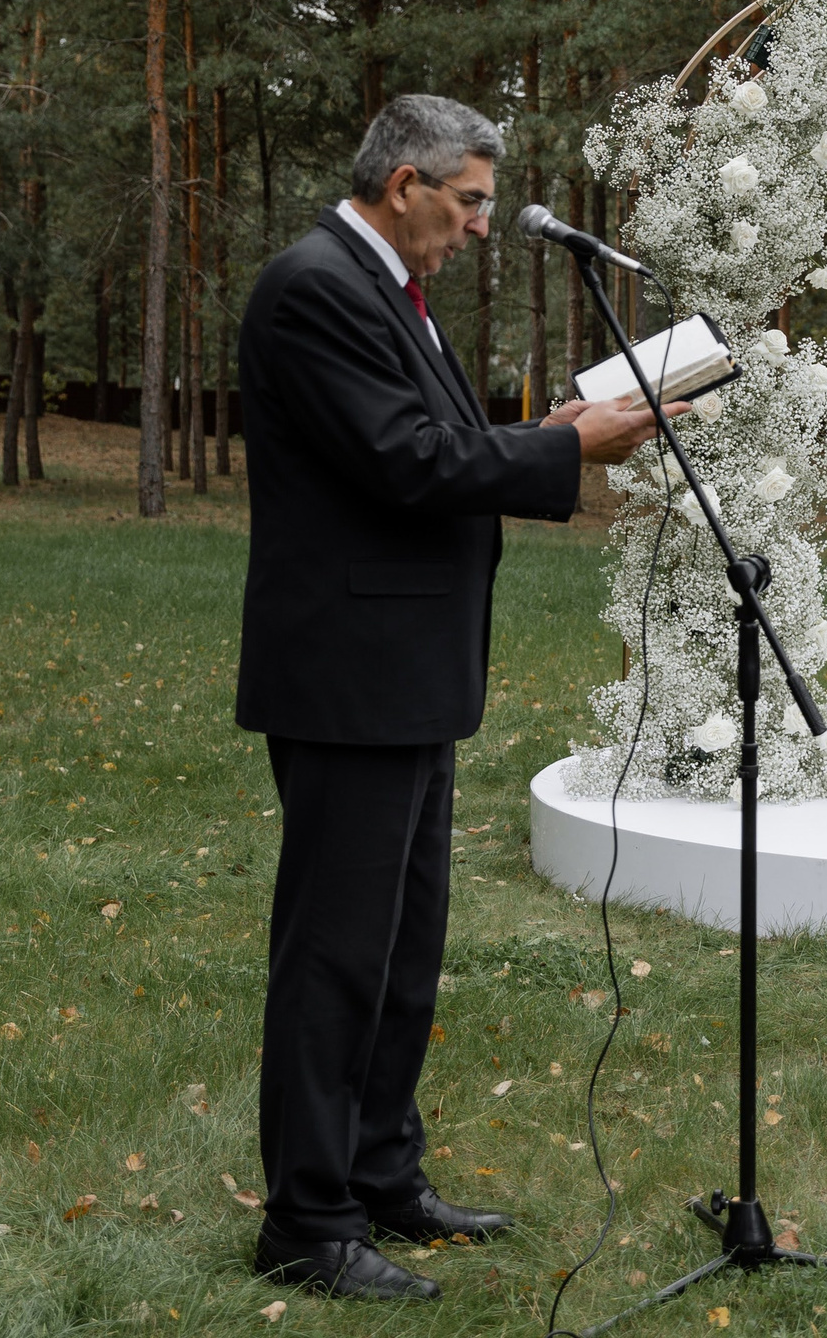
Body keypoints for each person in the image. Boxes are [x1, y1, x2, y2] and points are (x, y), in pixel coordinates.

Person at [235, 94, 677, 1301]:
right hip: (346, 680)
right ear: (405, 184)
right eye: (471, 199)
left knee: (402, 949)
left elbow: (430, 436)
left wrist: (548, 431)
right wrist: (568, 449)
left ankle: (381, 1175)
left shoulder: (388, 289)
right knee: (335, 955)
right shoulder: (316, 285)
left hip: (409, 676)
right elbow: (407, 462)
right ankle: (307, 1223)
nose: (483, 224)